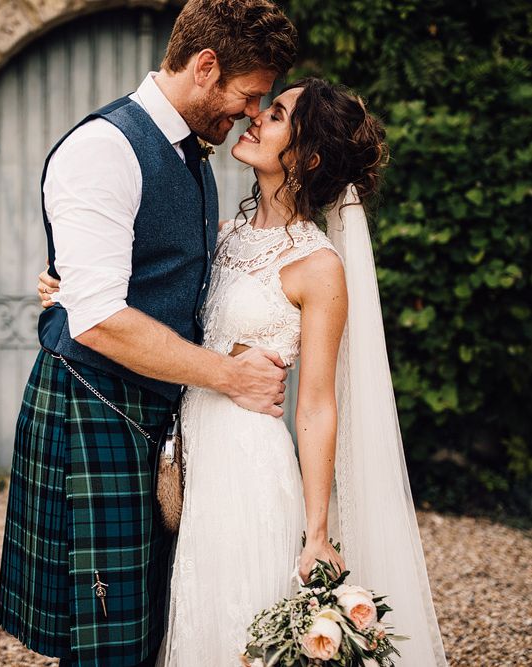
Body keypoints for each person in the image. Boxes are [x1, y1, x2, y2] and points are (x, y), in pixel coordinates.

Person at [41, 80, 448, 666]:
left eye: (276, 114)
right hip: (185, 455)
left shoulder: (318, 267)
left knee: (236, 629)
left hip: (247, 468)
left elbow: (315, 404)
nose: (255, 117)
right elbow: (155, 306)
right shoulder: (222, 235)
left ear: (306, 157)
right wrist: (72, 292)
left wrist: (316, 530)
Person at [0, 1, 298, 666]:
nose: (251, 112)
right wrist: (230, 376)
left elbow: (163, 272)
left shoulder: (191, 150)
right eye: (249, 95)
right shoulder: (104, 148)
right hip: (93, 406)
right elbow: (98, 319)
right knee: (105, 636)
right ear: (204, 66)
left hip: (156, 414)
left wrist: (67, 281)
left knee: (153, 624)